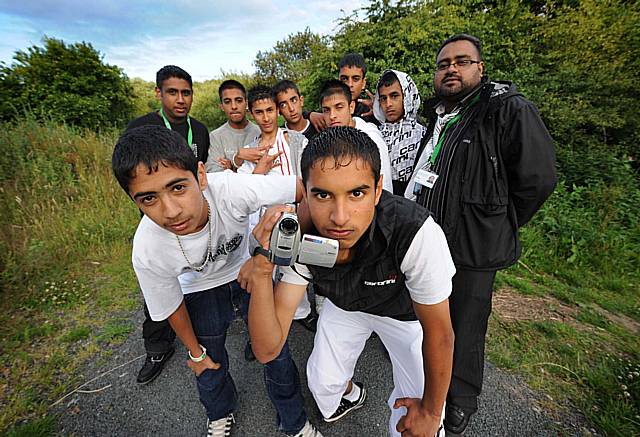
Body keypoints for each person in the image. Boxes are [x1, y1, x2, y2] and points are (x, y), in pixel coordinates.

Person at [239, 126, 456, 437]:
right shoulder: (299, 235)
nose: (340, 217)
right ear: (306, 191)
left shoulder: (415, 232)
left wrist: (432, 412)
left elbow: (440, 332)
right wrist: (262, 269)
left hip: (403, 314)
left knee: (420, 422)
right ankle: (352, 394)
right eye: (323, 194)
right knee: (322, 381)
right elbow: (267, 350)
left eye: (357, 193)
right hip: (345, 306)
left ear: (378, 189)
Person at [112, 125, 321, 437]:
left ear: (201, 175)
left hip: (246, 271)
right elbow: (170, 306)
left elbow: (307, 188)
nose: (170, 211)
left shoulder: (231, 188)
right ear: (135, 201)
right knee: (208, 362)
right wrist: (194, 352)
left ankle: (294, 421)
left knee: (277, 354)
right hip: (197, 288)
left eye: (178, 188)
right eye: (148, 199)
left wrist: (287, 219)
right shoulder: (147, 248)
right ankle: (219, 413)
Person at [405, 34, 556, 435]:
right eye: (443, 64)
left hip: (473, 246)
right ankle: (431, 380)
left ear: (480, 68)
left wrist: (498, 222)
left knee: (467, 325)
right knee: (432, 317)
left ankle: (460, 399)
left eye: (461, 61)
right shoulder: (439, 117)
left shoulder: (504, 109)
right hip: (432, 239)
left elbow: (537, 179)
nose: (451, 68)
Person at [125, 65, 211, 385]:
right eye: (172, 92)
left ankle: (203, 330)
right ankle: (158, 347)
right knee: (158, 288)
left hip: (191, 220)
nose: (180, 99)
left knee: (198, 273)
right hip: (160, 224)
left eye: (186, 92)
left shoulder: (199, 131)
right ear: (158, 93)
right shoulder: (141, 128)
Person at [319, 80, 393, 193]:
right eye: (326, 110)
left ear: (351, 107)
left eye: (339, 107)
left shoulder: (371, 138)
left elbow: (385, 187)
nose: (332, 116)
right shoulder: (328, 140)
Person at [373, 70, 427, 196]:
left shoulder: (423, 135)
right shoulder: (375, 133)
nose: (388, 104)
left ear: (407, 96)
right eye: (383, 98)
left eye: (394, 96)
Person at [205, 80, 260, 172]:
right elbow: (213, 171)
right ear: (222, 106)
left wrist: (232, 167)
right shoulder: (216, 137)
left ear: (246, 104)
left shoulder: (259, 132)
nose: (234, 106)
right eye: (227, 102)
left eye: (238, 100)